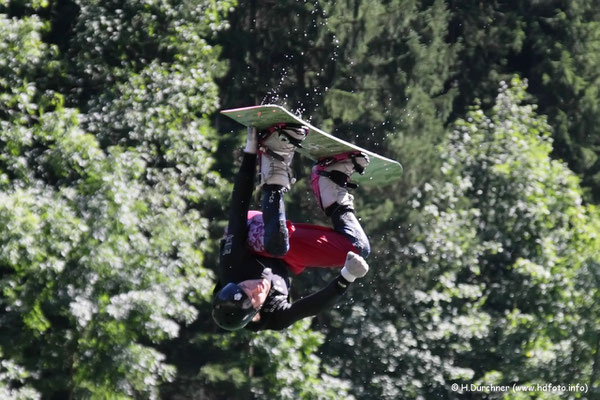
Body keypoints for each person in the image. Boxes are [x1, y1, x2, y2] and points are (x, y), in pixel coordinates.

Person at [212, 123, 371, 331]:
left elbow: (238, 207)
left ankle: (274, 154)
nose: (252, 287)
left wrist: (250, 151)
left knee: (276, 244)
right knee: (358, 249)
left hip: (253, 233)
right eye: (252, 296)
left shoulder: (232, 267)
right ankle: (331, 179)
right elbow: (311, 306)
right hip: (287, 255)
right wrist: (347, 276)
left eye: (243, 286)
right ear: (256, 315)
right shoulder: (274, 316)